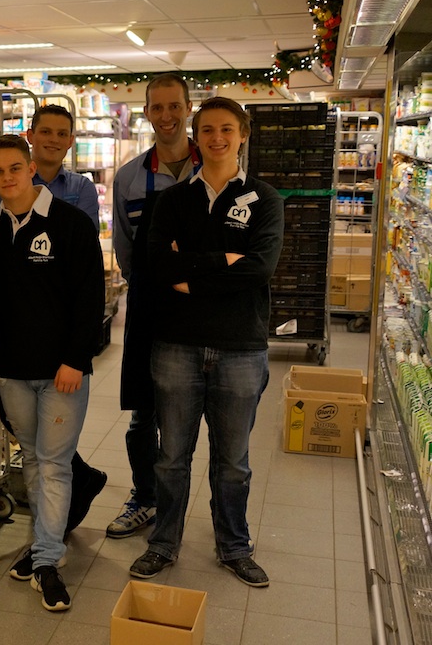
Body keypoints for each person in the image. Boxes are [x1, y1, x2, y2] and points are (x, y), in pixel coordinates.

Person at [129, 97, 283, 588]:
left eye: (227, 129)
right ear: (197, 138)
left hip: (242, 347)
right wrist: (225, 260)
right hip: (176, 345)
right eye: (208, 130)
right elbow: (158, 265)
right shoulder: (173, 200)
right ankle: (163, 543)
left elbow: (260, 268)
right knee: (172, 457)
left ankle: (234, 546)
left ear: (243, 135)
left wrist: (191, 272)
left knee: (233, 462)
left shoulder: (265, 199)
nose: (218, 138)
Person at [0, 135, 104, 611]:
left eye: (15, 168)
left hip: (61, 371)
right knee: (31, 459)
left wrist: (76, 359)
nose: (7, 178)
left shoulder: (70, 224)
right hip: (13, 368)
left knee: (53, 464)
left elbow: (90, 297)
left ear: (31, 168)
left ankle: (47, 559)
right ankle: (45, 542)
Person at [108, 74, 201, 540]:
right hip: (148, 306)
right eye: (158, 107)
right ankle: (144, 497)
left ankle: (180, 506)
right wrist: (149, 284)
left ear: (188, 108)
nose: (167, 116)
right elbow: (126, 248)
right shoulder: (128, 177)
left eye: (174, 106)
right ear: (146, 112)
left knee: (189, 414)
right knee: (143, 413)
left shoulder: (213, 167)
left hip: (203, 309)